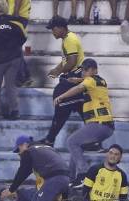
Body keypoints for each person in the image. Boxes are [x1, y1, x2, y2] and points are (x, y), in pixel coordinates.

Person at [54, 58, 115, 188]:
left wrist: (61, 96)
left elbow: (80, 87)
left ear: (93, 70)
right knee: (77, 146)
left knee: (71, 141)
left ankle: (84, 174)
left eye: (85, 71)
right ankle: (72, 179)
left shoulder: (90, 80)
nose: (82, 73)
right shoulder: (101, 80)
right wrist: (78, 80)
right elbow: (87, 81)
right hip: (106, 127)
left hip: (98, 124)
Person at [37, 16, 85, 147]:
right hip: (75, 78)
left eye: (53, 29)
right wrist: (57, 69)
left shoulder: (69, 40)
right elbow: (67, 60)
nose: (52, 32)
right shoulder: (68, 38)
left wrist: (59, 72)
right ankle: (50, 139)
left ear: (61, 28)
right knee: (80, 110)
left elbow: (72, 62)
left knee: (60, 102)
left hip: (73, 79)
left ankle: (50, 139)